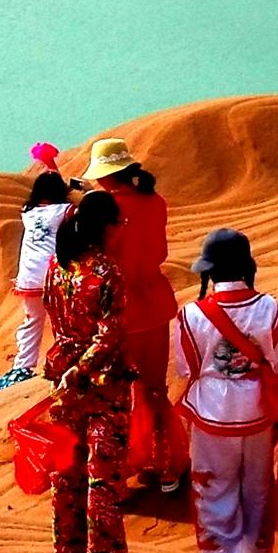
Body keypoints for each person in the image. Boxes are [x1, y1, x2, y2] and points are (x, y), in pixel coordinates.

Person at [169, 228, 278, 553]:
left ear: (209, 272)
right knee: (258, 488)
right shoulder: (270, 309)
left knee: (214, 489)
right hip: (259, 411)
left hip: (212, 413)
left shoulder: (191, 314)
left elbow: (185, 368)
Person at [44, 189, 143, 553]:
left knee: (67, 466)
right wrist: (82, 370)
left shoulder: (57, 265)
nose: (121, 229)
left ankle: (67, 548)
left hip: (63, 377)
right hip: (101, 383)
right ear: (106, 227)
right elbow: (109, 335)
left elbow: (53, 314)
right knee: (104, 472)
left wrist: (69, 371)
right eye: (119, 222)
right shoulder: (106, 273)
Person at [76, 137, 183, 492]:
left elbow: (94, 254)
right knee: (155, 390)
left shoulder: (105, 208)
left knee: (116, 394)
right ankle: (167, 466)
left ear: (106, 174)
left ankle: (120, 471)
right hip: (155, 301)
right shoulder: (155, 201)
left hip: (119, 308)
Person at [0, 154, 72, 394]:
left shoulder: (28, 212)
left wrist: (52, 168)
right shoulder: (64, 211)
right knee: (64, 321)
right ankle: (66, 361)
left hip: (28, 276)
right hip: (52, 275)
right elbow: (78, 206)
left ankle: (22, 366)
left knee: (32, 321)